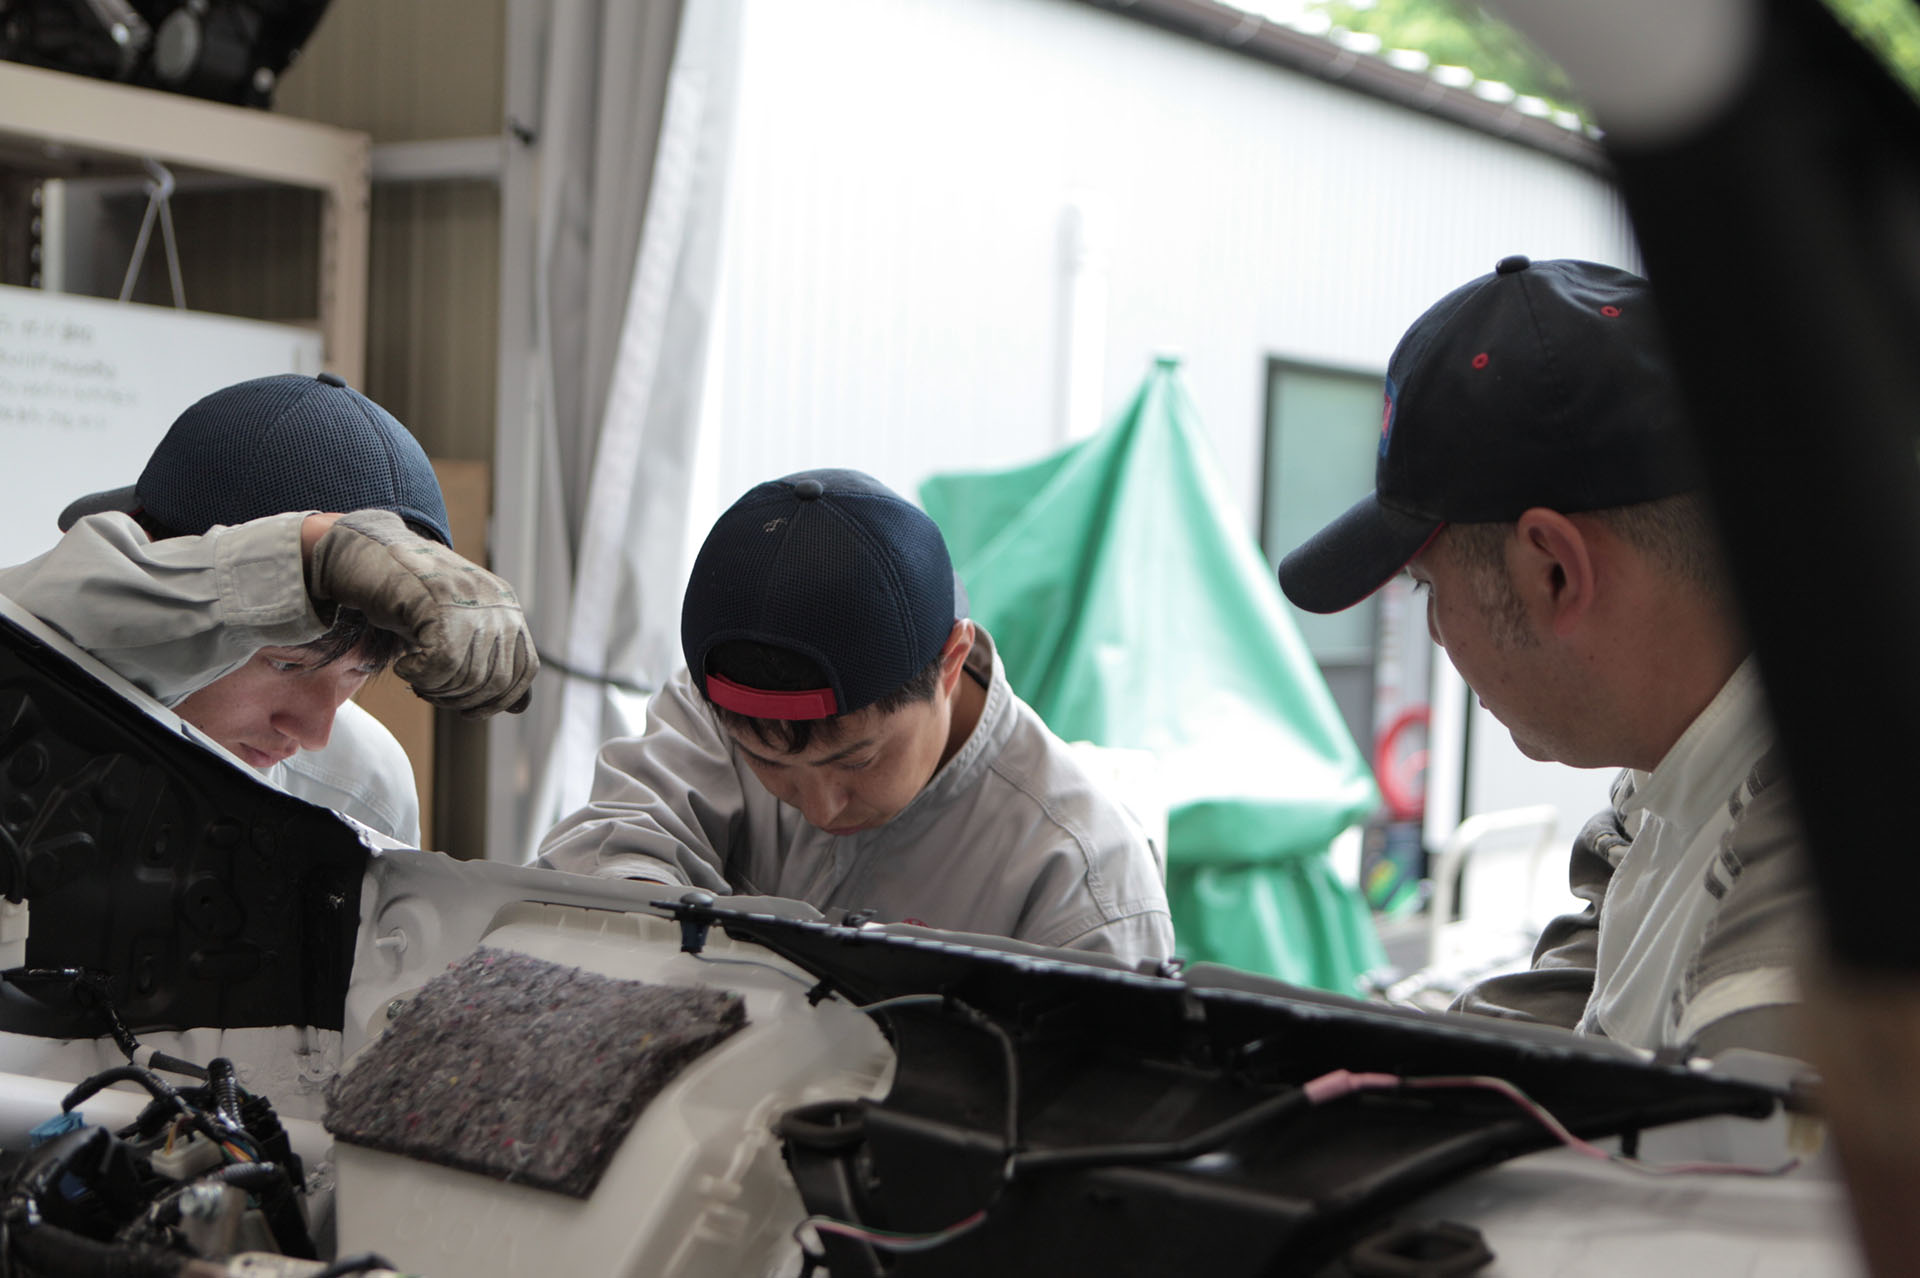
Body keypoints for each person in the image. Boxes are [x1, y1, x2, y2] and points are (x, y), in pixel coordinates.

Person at [1277, 256, 1808, 1059]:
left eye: (1428, 587)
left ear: (1554, 570)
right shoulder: (1683, 758)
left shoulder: (1795, 932)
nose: (1437, 635)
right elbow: (1592, 976)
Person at [537, 468, 1174, 965]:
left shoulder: (1081, 879)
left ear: (950, 664)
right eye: (766, 762)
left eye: (857, 760)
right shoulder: (728, 709)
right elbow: (612, 848)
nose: (820, 809)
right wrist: (636, 919)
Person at [0, 372, 539, 845]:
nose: (314, 733)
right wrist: (303, 554)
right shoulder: (39, 651)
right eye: (284, 663)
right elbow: (44, 615)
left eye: (360, 672)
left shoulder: (363, 789)